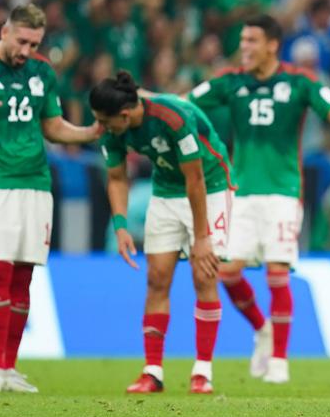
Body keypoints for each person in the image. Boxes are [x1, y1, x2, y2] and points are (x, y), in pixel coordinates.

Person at [188, 14, 330, 383]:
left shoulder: (299, 81)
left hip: (283, 192)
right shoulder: (231, 81)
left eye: (252, 41)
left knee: (277, 273)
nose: (244, 48)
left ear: (272, 44)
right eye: (242, 41)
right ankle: (262, 328)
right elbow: (185, 103)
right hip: (239, 193)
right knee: (227, 272)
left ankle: (278, 361)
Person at [0, 3, 103, 393]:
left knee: (23, 276)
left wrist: (92, 132)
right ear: (4, 32)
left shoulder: (42, 72)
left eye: (34, 44)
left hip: (36, 182)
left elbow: (53, 126)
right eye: (22, 41)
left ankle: (10, 368)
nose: (27, 51)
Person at [90, 71, 236, 394]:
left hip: (209, 187)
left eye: (105, 121)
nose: (101, 128)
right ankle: (152, 371)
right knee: (157, 278)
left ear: (125, 114)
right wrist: (121, 225)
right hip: (166, 191)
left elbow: (195, 178)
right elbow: (116, 177)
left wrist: (201, 238)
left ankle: (202, 371)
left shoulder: (173, 117)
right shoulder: (114, 129)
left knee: (204, 275)